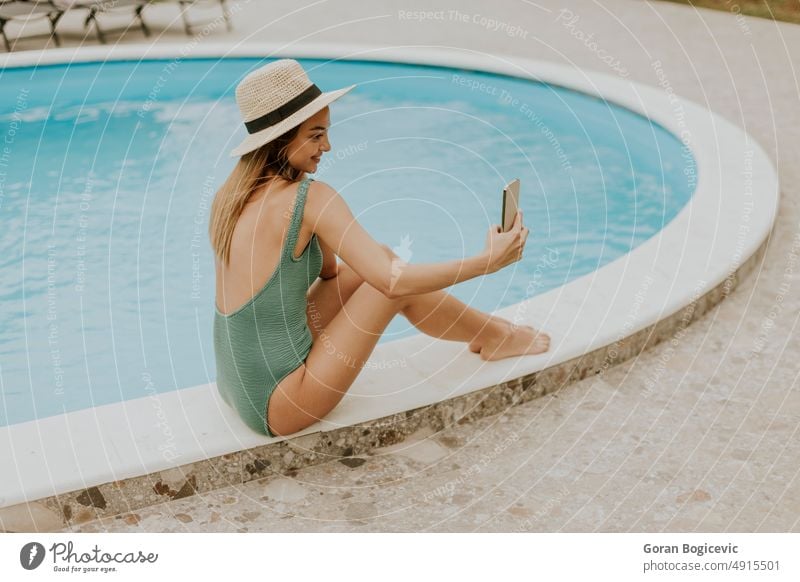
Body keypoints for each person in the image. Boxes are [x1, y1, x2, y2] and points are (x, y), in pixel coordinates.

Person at [209, 59, 550, 439]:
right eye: (316, 135)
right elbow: (390, 283)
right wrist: (486, 262)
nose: (328, 146)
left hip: (237, 384)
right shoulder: (310, 199)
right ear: (282, 138)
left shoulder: (230, 197)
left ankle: (487, 331)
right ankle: (496, 337)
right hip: (279, 403)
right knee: (389, 288)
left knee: (381, 258)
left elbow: (331, 274)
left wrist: (325, 232)